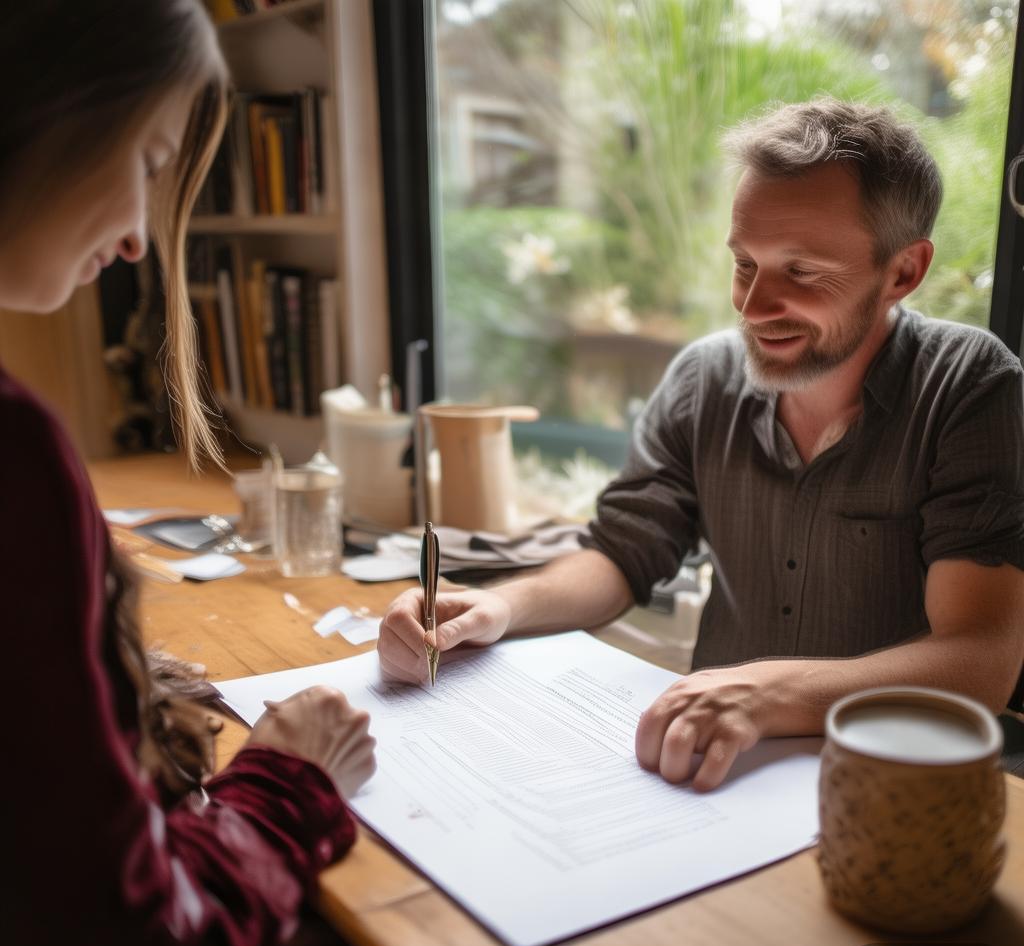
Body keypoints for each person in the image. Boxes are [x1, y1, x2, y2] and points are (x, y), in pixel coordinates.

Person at [379, 100, 1024, 792]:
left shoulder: (971, 385)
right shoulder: (702, 378)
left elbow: (979, 658)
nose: (751, 306)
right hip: (709, 777)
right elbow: (622, 555)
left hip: (887, 788)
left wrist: (769, 695)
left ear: (903, 273)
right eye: (744, 263)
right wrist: (500, 609)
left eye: (800, 272)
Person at [1, 4, 378, 946]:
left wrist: (100, 687)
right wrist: (286, 779)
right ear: (42, 115)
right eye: (149, 156)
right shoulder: (14, 451)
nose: (134, 237)